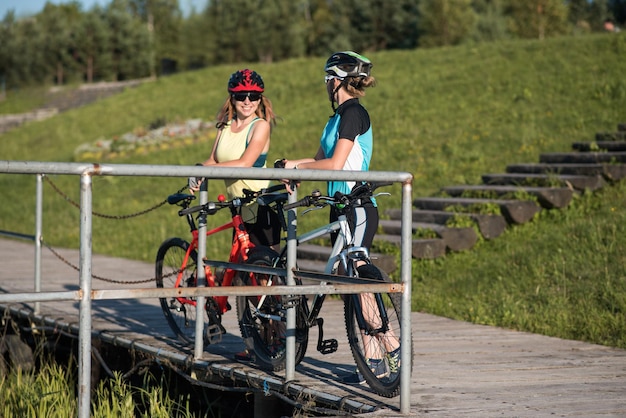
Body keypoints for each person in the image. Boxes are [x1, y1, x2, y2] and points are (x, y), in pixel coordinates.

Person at [278, 51, 400, 384]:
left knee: (359, 277)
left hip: (358, 205)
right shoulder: (334, 120)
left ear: (335, 81)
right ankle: (372, 362)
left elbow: (334, 165)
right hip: (338, 207)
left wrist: (299, 168)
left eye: (325, 79)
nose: (325, 85)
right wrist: (294, 167)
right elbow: (320, 160)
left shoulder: (354, 114)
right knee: (350, 285)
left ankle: (392, 344)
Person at [190, 68, 281, 250]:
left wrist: (206, 172)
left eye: (253, 96)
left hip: (259, 205)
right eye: (241, 96)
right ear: (232, 97)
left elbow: (245, 163)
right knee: (239, 274)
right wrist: (197, 170)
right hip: (238, 208)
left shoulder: (260, 126)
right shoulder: (225, 125)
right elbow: (213, 160)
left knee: (266, 275)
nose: (247, 101)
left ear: (260, 99)